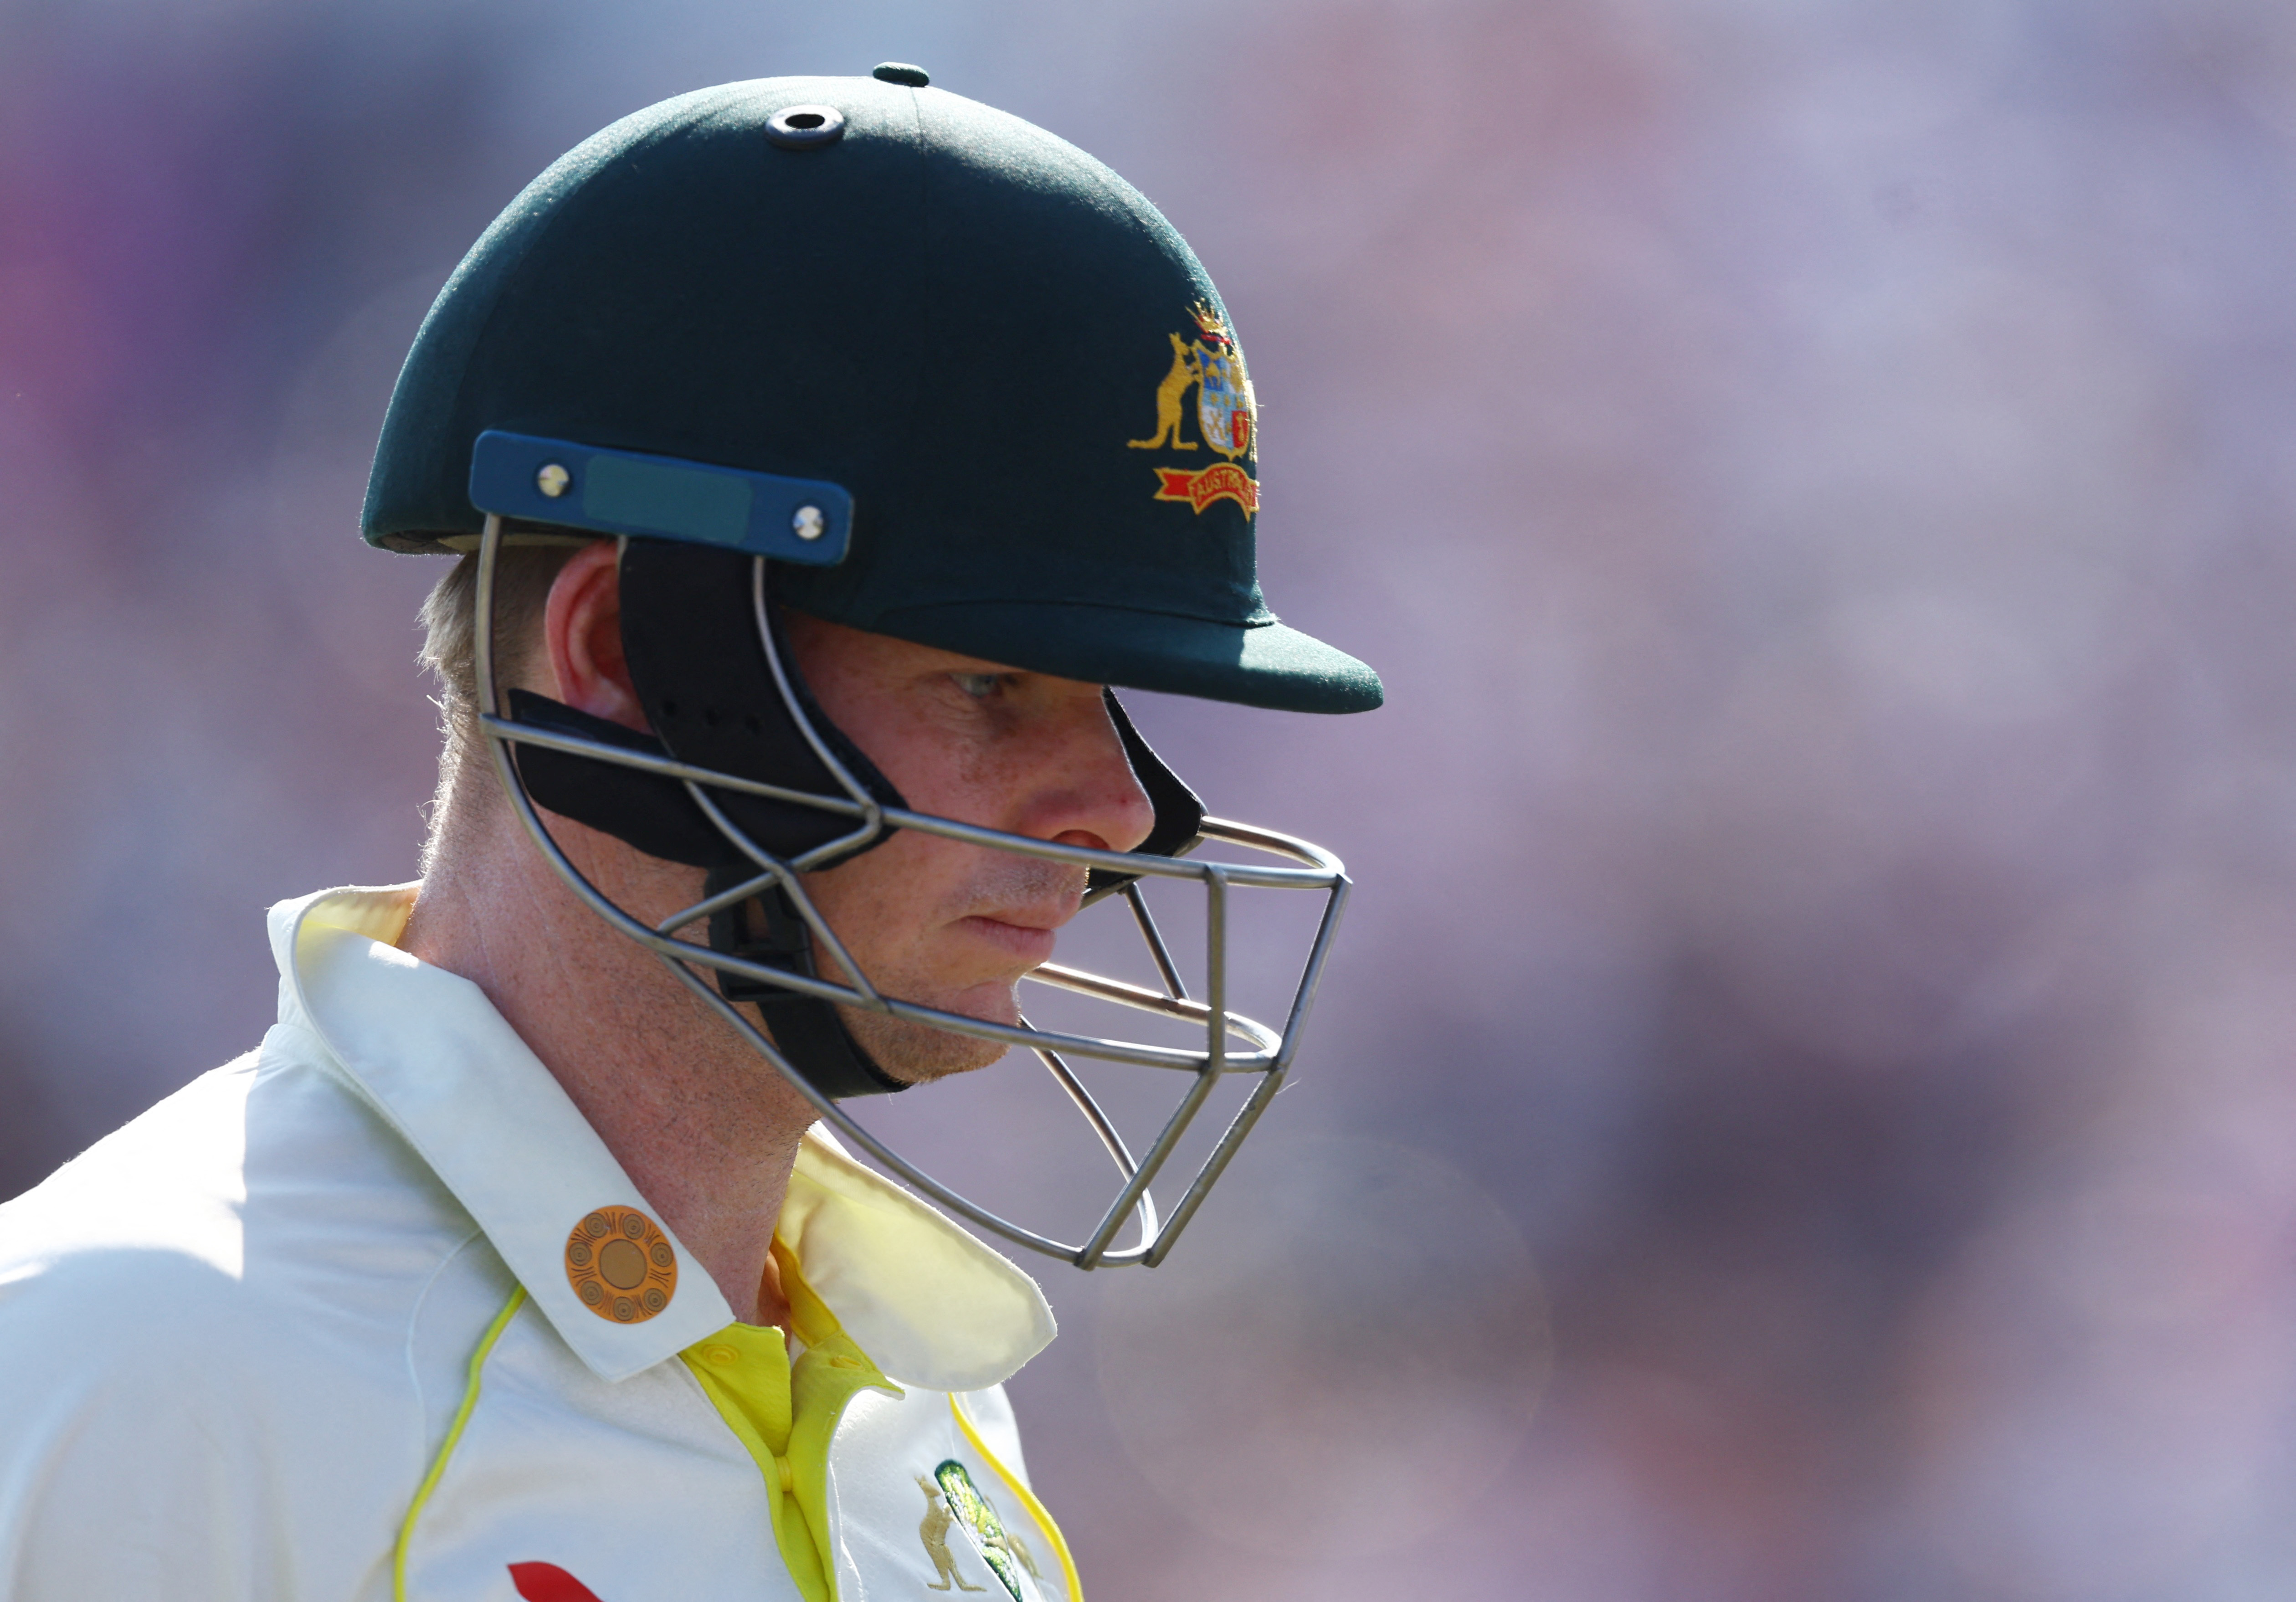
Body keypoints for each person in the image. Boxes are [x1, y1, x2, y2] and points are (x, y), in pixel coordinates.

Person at [0, 66, 1381, 1602]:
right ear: (620, 651)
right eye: (991, 682)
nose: (1120, 810)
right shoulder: (126, 1360)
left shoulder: (936, 1419)